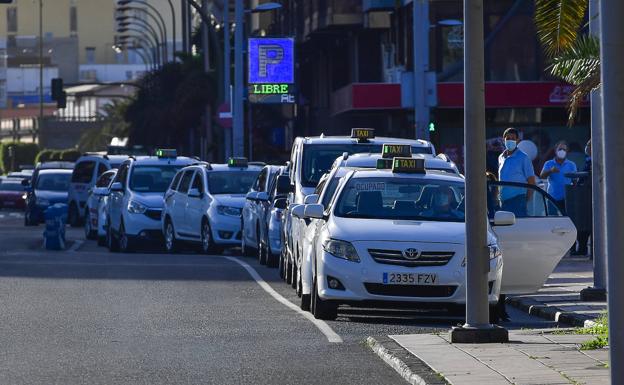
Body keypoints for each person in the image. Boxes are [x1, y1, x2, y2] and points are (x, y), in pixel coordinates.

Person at [498, 127, 536, 217]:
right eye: (508, 138)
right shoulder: (501, 157)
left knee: (518, 229)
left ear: (518, 141)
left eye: (513, 139)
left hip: (518, 201)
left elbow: (532, 182)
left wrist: (525, 200)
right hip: (503, 201)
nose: (510, 141)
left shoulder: (524, 158)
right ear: (504, 140)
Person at [539, 141, 577, 211]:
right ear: (555, 150)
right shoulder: (549, 163)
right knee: (552, 220)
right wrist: (550, 171)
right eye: (560, 149)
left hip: (567, 199)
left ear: (567, 151)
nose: (562, 151)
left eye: (564, 150)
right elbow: (542, 176)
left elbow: (575, 182)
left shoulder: (571, 165)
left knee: (567, 220)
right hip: (552, 198)